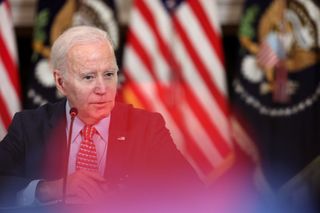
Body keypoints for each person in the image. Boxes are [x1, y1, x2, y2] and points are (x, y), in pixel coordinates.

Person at [0, 26, 199, 209]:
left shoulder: (146, 127)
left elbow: (194, 194)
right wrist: (51, 189)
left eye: (109, 74)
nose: (102, 89)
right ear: (61, 82)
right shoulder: (29, 127)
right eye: (88, 77)